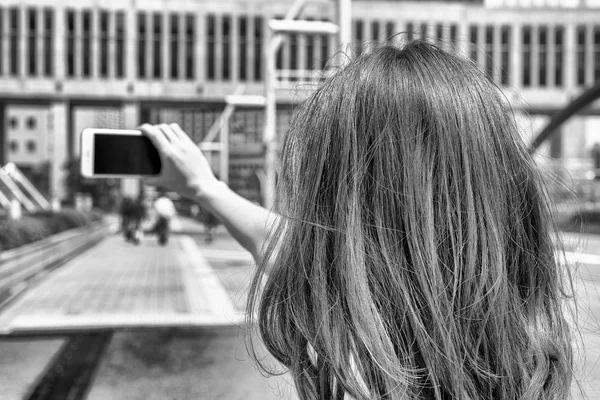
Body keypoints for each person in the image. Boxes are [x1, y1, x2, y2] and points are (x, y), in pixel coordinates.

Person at [139, 40, 580, 400]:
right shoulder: (522, 349)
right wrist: (204, 187)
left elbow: (293, 251)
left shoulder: (363, 354)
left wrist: (205, 190)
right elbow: (284, 243)